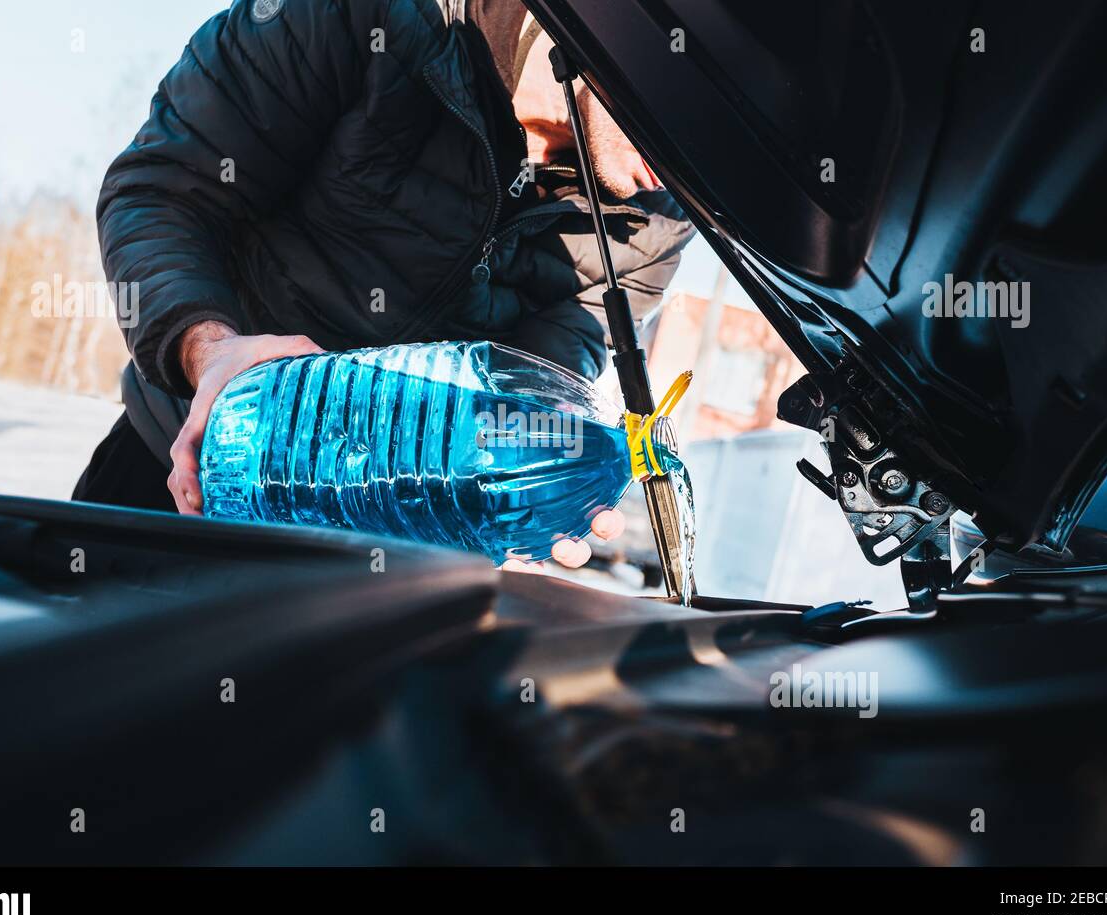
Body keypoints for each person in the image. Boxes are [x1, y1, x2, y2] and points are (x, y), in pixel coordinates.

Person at [73, 0, 693, 569]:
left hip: (385, 555)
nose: (699, 168)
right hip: (190, 476)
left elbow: (545, 369)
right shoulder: (370, 16)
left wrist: (538, 475)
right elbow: (163, 190)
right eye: (699, 107)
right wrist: (207, 349)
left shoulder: (667, 213)